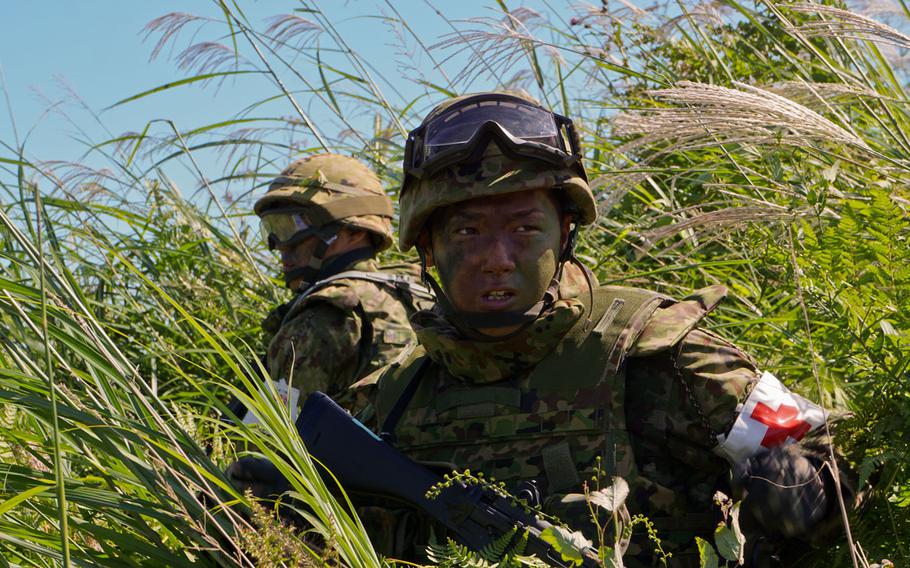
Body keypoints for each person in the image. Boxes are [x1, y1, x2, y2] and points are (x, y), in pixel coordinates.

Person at [347, 93, 855, 566]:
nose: (497, 260)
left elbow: (832, 460)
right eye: (468, 231)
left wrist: (803, 485)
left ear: (565, 233)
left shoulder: (659, 355)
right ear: (428, 249)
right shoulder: (389, 402)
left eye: (526, 229)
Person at [230, 153, 433, 425]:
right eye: (272, 228)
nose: (279, 245)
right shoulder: (420, 296)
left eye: (293, 225)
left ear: (354, 231)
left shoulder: (323, 315)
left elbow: (270, 446)